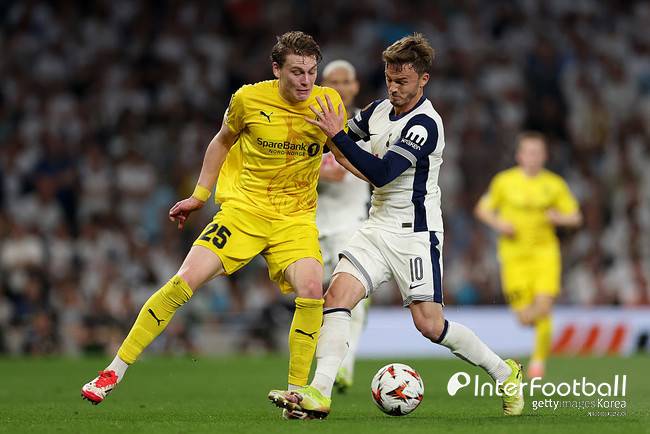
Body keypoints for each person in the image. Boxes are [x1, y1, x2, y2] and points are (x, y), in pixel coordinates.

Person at [81, 31, 346, 405]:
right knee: (184, 280)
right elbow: (222, 140)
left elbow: (343, 153)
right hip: (244, 213)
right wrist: (199, 196)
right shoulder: (248, 99)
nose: (306, 81)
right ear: (276, 69)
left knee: (312, 289)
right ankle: (113, 371)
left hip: (295, 220)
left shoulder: (329, 102)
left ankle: (296, 394)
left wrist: (375, 172)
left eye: (312, 72)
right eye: (297, 72)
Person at [268, 33, 524, 420]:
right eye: (389, 79)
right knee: (335, 299)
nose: (394, 88)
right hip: (376, 227)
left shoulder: (425, 124)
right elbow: (334, 143)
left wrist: (336, 137)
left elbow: (382, 172)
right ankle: (319, 392)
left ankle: (505, 373)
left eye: (402, 81)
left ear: (423, 79)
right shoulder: (377, 111)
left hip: (415, 235)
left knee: (430, 325)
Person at [474, 132, 582, 378]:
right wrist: (499, 223)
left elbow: (576, 217)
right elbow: (482, 209)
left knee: (543, 306)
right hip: (514, 258)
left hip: (545, 254)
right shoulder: (504, 181)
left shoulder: (554, 184)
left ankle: (538, 363)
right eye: (529, 152)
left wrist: (559, 218)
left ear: (544, 156)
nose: (533, 157)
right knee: (524, 318)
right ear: (519, 155)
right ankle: (538, 349)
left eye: (537, 153)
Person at [317, 59, 370, 393]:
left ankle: (341, 368)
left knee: (350, 295)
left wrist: (301, 166)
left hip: (349, 222)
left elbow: (339, 171)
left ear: (355, 86)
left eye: (344, 81)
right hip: (307, 222)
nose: (338, 87)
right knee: (313, 298)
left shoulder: (368, 125)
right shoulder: (307, 121)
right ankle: (321, 362)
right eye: (332, 81)